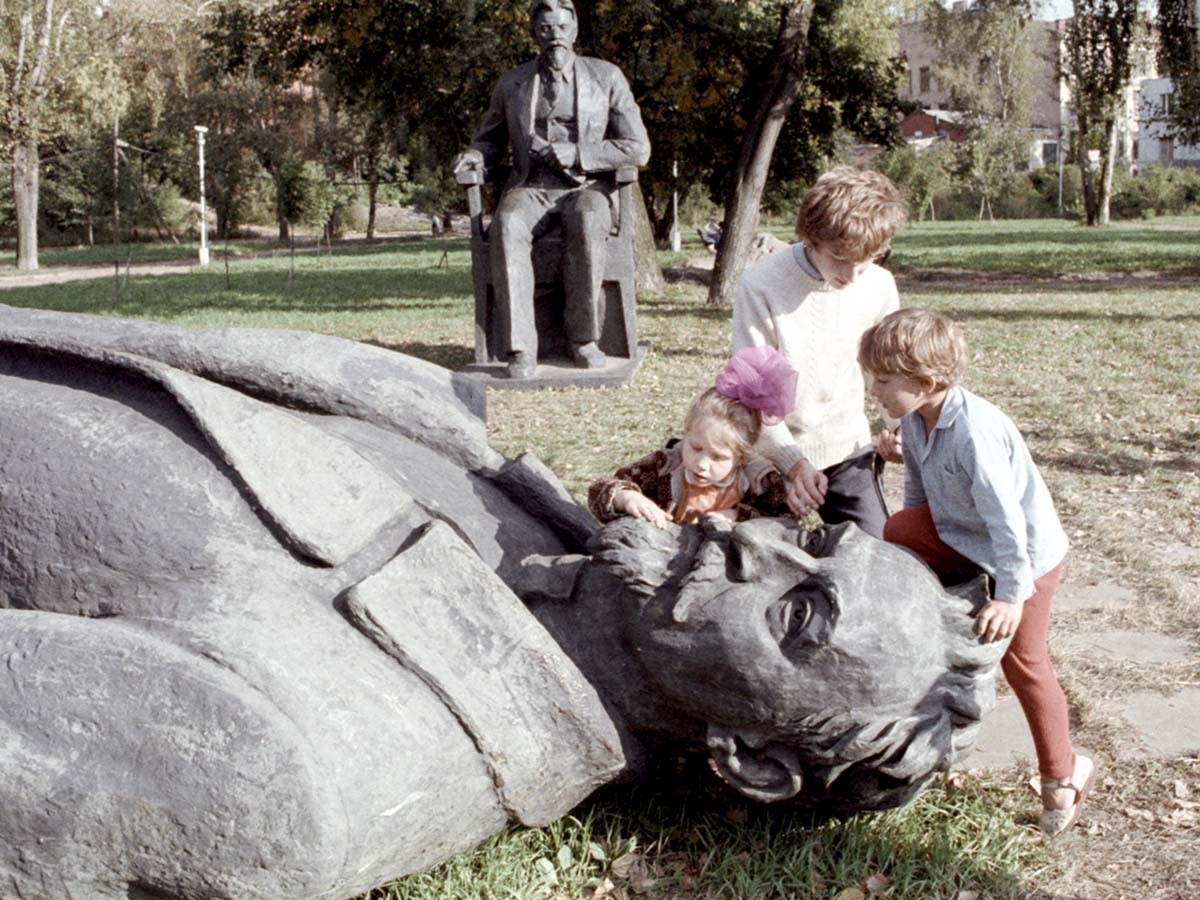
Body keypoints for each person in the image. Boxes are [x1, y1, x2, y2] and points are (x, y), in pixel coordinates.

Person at [858, 307, 1094, 838]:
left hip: (1024, 557)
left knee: (1023, 659)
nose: (874, 389)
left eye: (885, 380)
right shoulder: (915, 421)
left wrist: (1011, 595)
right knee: (898, 530)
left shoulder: (974, 434)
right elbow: (918, 501)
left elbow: (1009, 523)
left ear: (926, 381)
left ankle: (1064, 772)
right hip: (970, 538)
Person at [452, 0, 651, 379]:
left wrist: (577, 153)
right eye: (545, 29)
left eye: (561, 27)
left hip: (586, 188)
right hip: (532, 187)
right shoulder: (512, 83)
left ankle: (583, 340)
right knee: (507, 223)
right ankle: (521, 347)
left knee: (588, 218)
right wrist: (476, 156)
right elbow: (490, 141)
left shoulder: (606, 76)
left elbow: (637, 148)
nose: (554, 36)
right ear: (533, 34)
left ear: (574, 31)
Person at [732, 166, 908, 539]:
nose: (853, 274)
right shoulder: (761, 284)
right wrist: (793, 464)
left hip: (849, 451)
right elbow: (753, 394)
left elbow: (888, 371)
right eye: (840, 257)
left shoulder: (878, 285)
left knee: (876, 559)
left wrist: (898, 430)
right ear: (811, 237)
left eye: (868, 258)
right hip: (773, 456)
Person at [588, 347, 796, 527]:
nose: (702, 464)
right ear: (686, 434)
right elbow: (600, 490)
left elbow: (785, 522)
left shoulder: (759, 480)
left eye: (718, 457)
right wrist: (627, 497)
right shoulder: (665, 465)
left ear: (741, 457)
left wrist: (737, 516)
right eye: (696, 448)